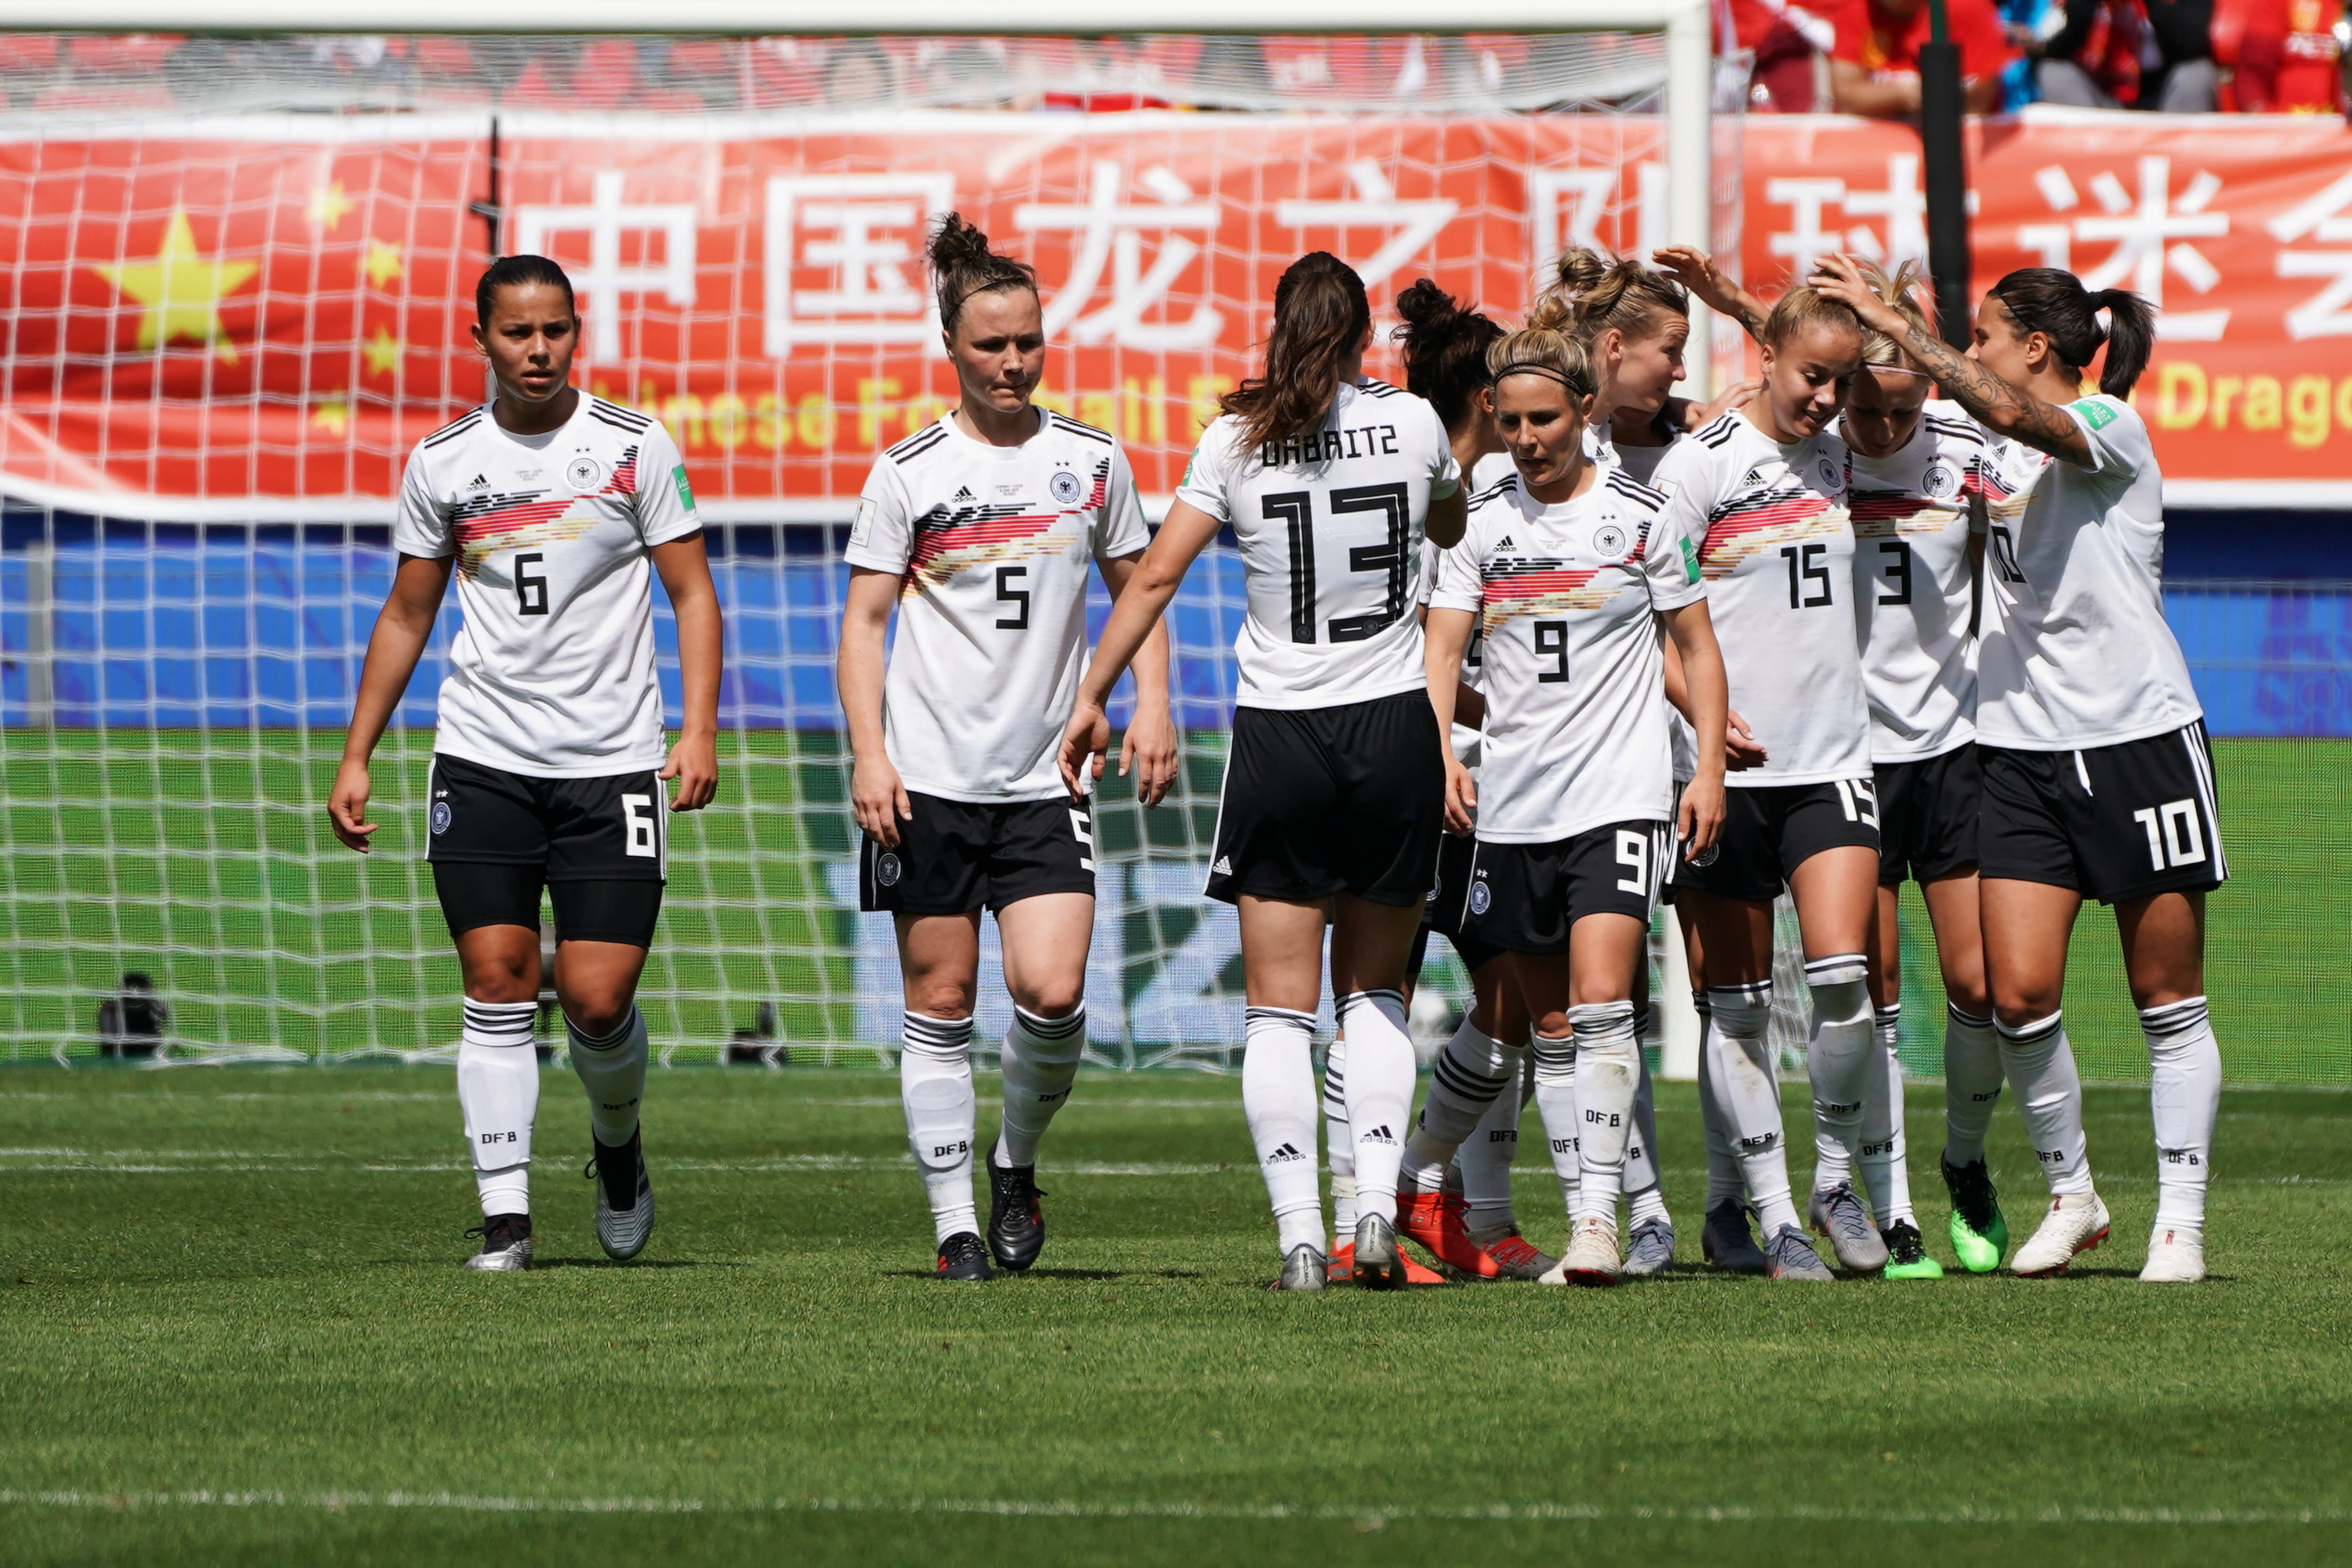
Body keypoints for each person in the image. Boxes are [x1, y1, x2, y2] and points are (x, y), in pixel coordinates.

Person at [1812, 256, 2224, 1284]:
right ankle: (2072, 1192)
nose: (1973, 354)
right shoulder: (1982, 445)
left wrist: (1908, 334)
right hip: (2017, 752)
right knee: (2017, 993)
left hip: (2136, 741)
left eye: (1985, 336)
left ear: (2033, 348)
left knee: (2164, 994)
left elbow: (2014, 414)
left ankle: (2180, 1219)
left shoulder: (2107, 427)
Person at [1060, 252, 1465, 1291]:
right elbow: (1451, 525)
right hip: (1392, 729)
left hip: (1282, 735)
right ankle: (1374, 1209)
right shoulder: (1415, 424)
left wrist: (1095, 692)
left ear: (1278, 326)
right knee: (1375, 991)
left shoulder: (1235, 438)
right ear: (1367, 334)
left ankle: (1298, 1238)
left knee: (1279, 1009)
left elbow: (1155, 572)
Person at [330, 255, 722, 1272]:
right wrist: (358, 752)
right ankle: (506, 1219)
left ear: (575, 333)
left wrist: (700, 728)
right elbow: (409, 610)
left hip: (613, 763)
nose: (537, 349)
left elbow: (692, 594)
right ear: (482, 340)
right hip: (483, 758)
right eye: (516, 332)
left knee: (595, 998)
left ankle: (619, 1147)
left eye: (554, 330)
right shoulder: (445, 462)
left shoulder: (634, 447)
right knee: (497, 980)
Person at [838, 215, 1176, 1283]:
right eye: (991, 345)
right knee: (938, 1001)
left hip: (1045, 780)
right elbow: (861, 625)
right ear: (953, 347)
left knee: (1052, 991)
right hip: (929, 782)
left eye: (1027, 340)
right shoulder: (906, 473)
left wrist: (1152, 700)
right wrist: (869, 756)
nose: (1013, 362)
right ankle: (952, 1230)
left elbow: (1144, 591)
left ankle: (1014, 1162)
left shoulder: (1091, 460)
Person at [1425, 318, 1732, 1286]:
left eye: (1545, 418)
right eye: (1510, 421)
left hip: (1618, 796)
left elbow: (1697, 647)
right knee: (1542, 1024)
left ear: (1584, 410)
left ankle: (1599, 1223)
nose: (1527, 438)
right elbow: (1440, 650)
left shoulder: (1640, 517)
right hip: (1513, 807)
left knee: (1603, 1004)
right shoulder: (1477, 521)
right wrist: (1439, 752)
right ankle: (1425, 1183)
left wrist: (1709, 766)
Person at [1650, 280, 1873, 1284]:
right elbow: (1644, 611)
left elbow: (1924, 377)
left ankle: (1830, 1180)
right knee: (1734, 1007)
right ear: (1770, 355)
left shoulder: (1847, 445)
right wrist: (1699, 717)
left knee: (1842, 984)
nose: (1826, 396)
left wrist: (1883, 311)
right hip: (1721, 773)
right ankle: (1760, 1214)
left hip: (1830, 756)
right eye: (1812, 375)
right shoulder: (1700, 464)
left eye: (1841, 378)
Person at [1376, 278, 1553, 1284]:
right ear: (1489, 400)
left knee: (1513, 996)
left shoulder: (1504, 492)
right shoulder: (1436, 501)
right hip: (1425, 770)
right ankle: (1374, 1198)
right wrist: (1496, 712)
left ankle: (1464, 1207)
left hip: (1501, 782)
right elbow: (1415, 651)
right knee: (1382, 998)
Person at [1825, 0, 2017, 115]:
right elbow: (1846, 97)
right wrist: (1904, 95)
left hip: (1959, 147)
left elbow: (1979, 100)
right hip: (1877, 143)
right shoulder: (1855, 9)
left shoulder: (1968, 7)